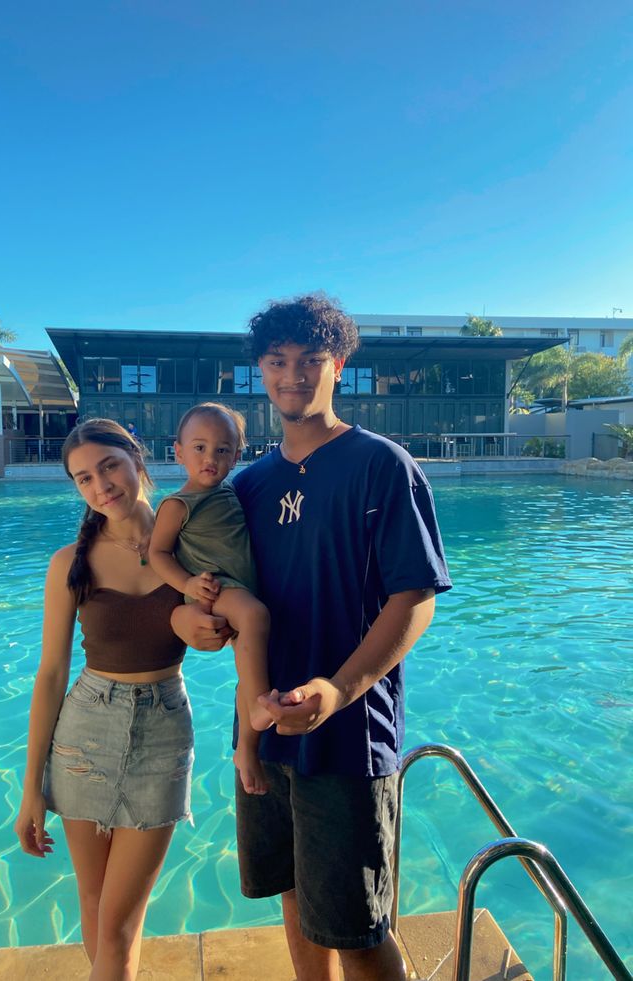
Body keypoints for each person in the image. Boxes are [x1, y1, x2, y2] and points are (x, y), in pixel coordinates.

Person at [172, 293, 451, 981]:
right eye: (277, 361)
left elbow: (414, 600)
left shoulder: (381, 465)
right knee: (294, 899)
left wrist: (337, 688)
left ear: (339, 366)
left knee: (357, 927)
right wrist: (196, 623)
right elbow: (216, 588)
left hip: (347, 736)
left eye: (310, 360)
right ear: (259, 371)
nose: (292, 374)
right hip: (264, 727)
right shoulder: (249, 484)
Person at [15, 418, 193, 981]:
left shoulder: (191, 546)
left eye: (109, 466)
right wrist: (30, 791)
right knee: (96, 908)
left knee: (119, 920)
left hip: (164, 732)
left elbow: (229, 620)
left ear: (138, 461)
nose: (101, 486)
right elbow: (50, 675)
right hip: (84, 732)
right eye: (83, 478)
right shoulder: (71, 563)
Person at [149, 403, 273, 796]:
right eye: (199, 448)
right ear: (178, 452)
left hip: (238, 583)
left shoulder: (230, 492)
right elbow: (157, 554)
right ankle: (259, 705)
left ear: (237, 456)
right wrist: (188, 585)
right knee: (255, 617)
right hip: (219, 588)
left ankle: (246, 749)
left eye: (222, 450)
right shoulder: (177, 505)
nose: (210, 458)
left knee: (247, 671)